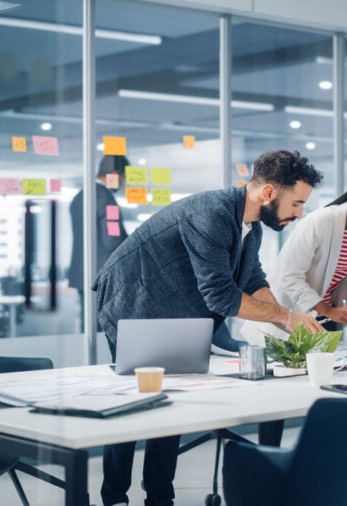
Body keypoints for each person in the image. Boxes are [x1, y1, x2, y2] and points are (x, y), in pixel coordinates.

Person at [93, 149, 325, 506]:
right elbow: (221, 296)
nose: (299, 214)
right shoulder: (213, 213)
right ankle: (114, 497)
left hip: (174, 310)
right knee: (134, 403)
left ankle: (159, 497)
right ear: (268, 194)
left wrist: (290, 319)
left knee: (171, 403)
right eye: (296, 204)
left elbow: (251, 279)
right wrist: (286, 318)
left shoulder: (250, 226)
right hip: (133, 302)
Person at [242, 172, 347, 343]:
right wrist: (328, 311)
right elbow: (290, 276)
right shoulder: (320, 221)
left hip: (324, 321)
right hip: (290, 317)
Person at [69, 155, 128, 331]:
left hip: (83, 274)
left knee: (88, 326)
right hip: (105, 277)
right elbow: (112, 239)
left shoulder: (80, 196)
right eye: (124, 179)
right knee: (106, 327)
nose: (123, 184)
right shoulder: (106, 200)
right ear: (115, 174)